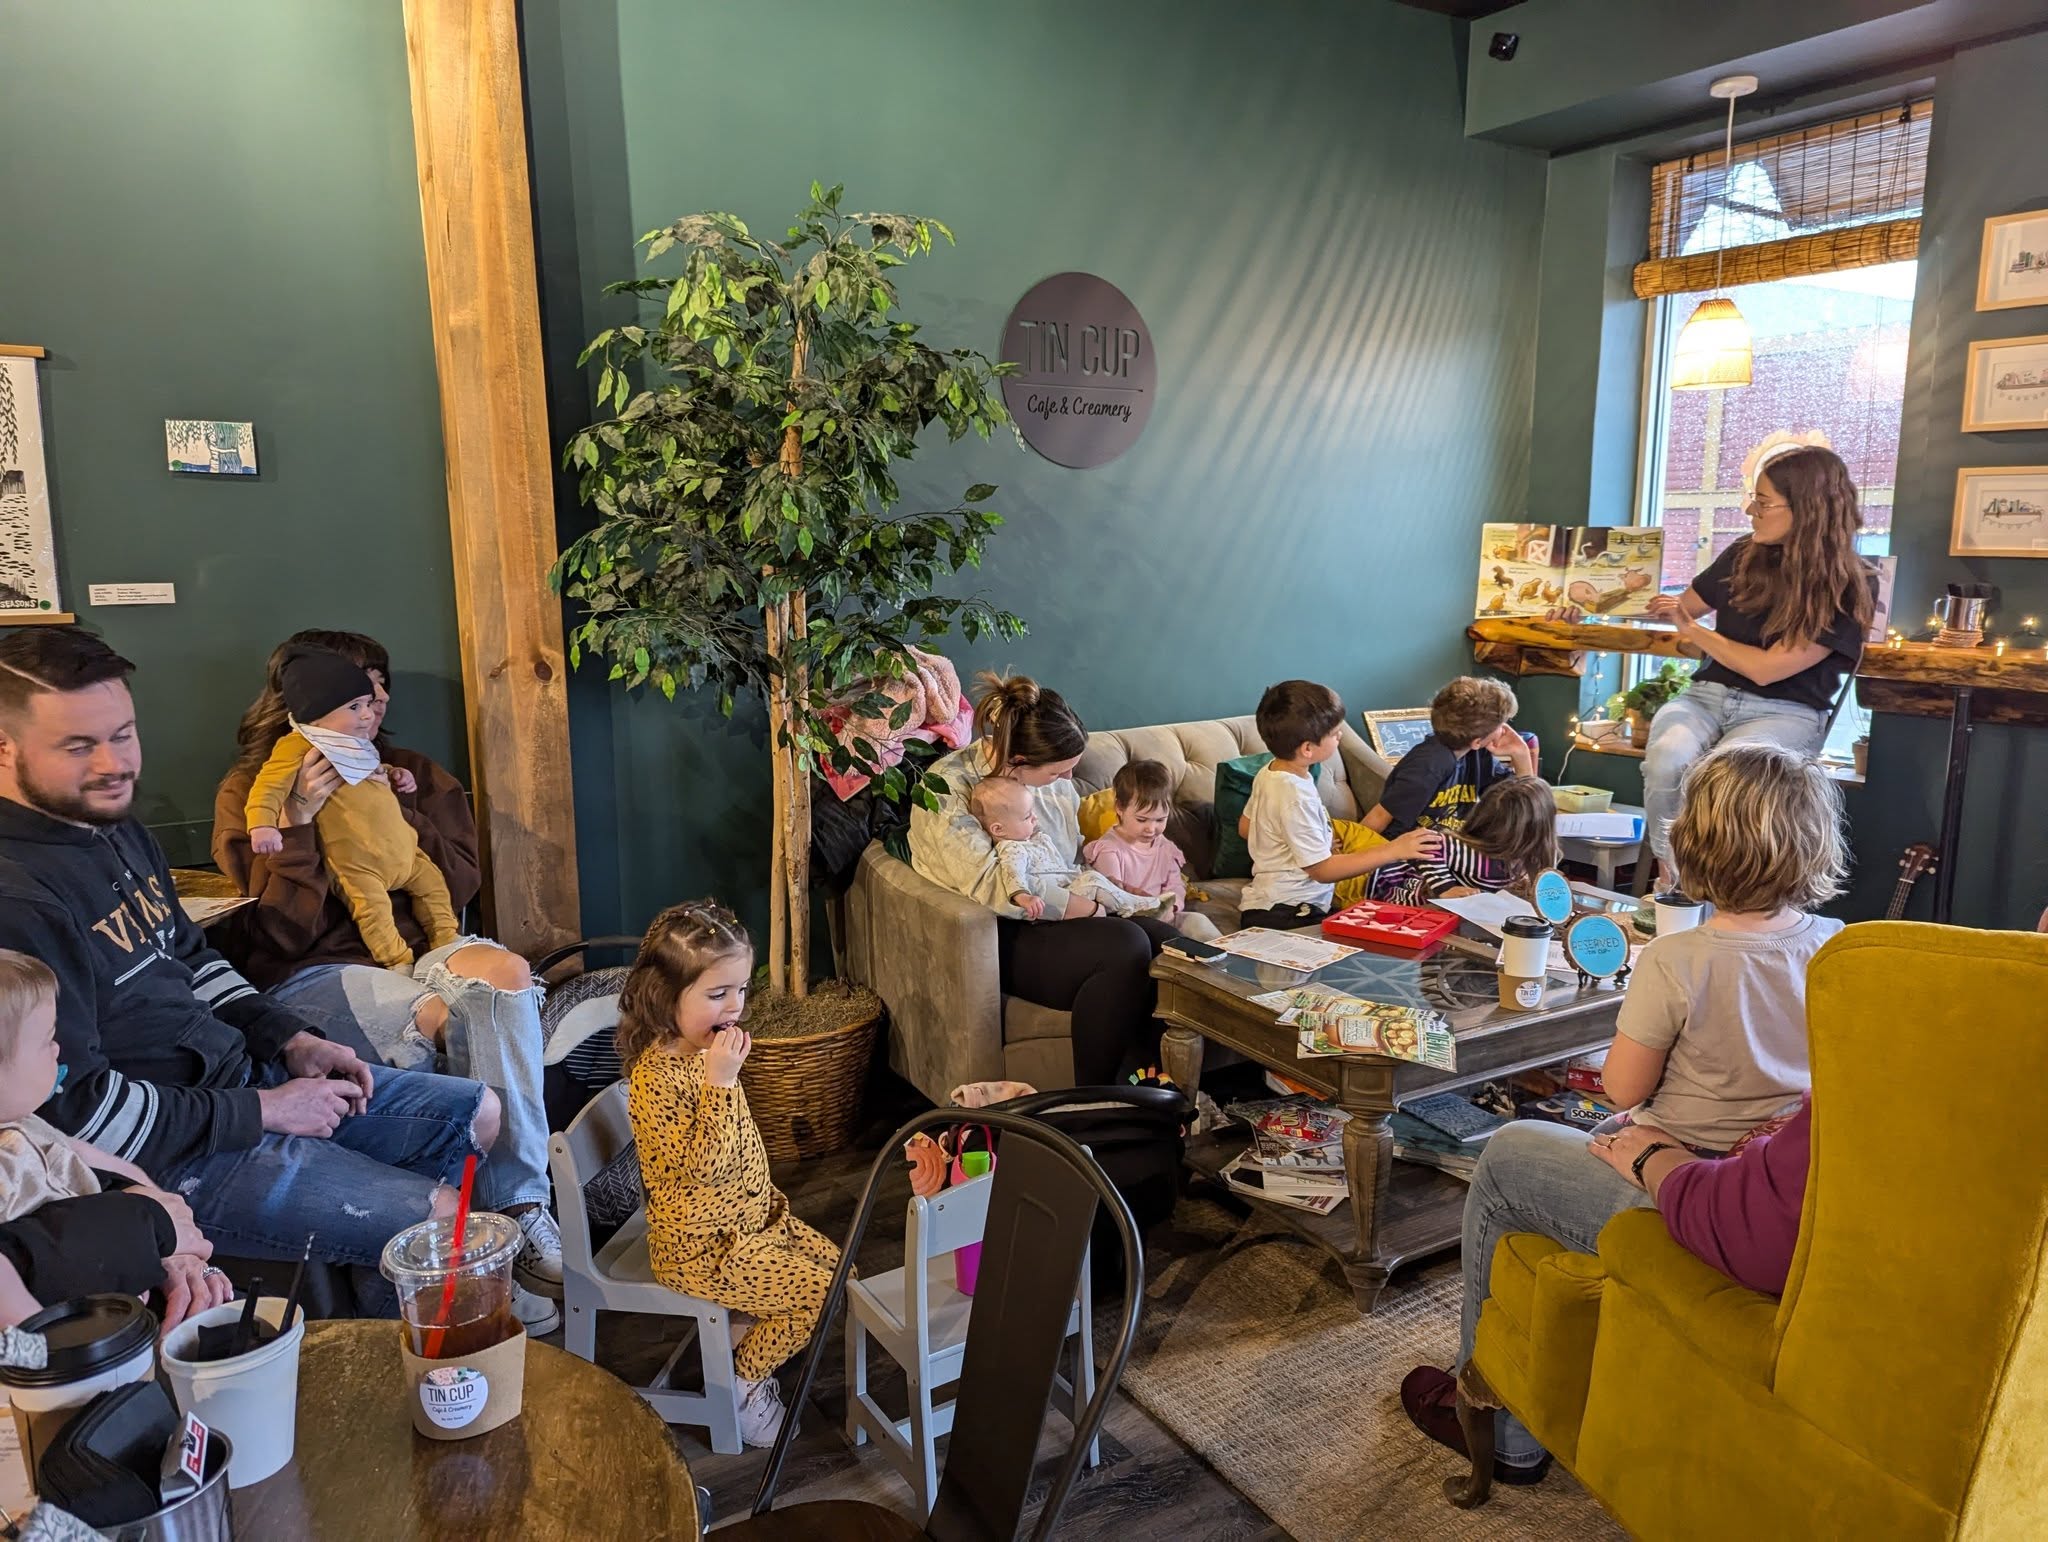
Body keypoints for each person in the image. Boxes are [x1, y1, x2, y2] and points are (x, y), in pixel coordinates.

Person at [0, 626, 501, 1317]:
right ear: (5, 749)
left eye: (123, 734)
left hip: (240, 1082)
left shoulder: (111, 823)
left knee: (479, 1115)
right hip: (176, 1154)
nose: (115, 764)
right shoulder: (17, 899)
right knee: (447, 1226)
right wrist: (265, 1110)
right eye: (79, 746)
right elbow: (76, 1114)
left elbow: (194, 958)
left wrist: (290, 1039)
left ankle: (374, 1317)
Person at [212, 629, 561, 1329]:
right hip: (319, 972)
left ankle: (519, 1209)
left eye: (379, 685)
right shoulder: (254, 786)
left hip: (422, 945)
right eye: (354, 690)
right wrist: (302, 826)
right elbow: (277, 933)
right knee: (437, 1017)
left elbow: (459, 878)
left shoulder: (409, 770)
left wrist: (391, 813)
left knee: (506, 976)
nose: (372, 702)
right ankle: (486, 1243)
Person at [1401, 1099, 1814, 1484]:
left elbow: (1746, 1228)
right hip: (1746, 1182)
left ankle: (1503, 1431)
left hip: (1724, 1231)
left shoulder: (1865, 1067)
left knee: (1511, 1151)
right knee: (1601, 1133)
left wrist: (1657, 1159)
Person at [620, 901, 841, 1448]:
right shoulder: (658, 1078)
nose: (736, 1006)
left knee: (843, 1277)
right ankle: (741, 1384)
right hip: (702, 1247)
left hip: (751, 1221)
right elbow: (703, 1170)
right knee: (819, 1296)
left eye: (741, 990)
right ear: (664, 997)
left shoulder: (705, 1050)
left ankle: (744, 1331)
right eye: (717, 994)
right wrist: (720, 1084)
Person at [910, 674, 1174, 1085]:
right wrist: (1097, 909)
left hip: (1060, 914)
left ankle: (1155, 1088)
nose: (1067, 782)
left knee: (1167, 942)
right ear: (1017, 763)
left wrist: (1115, 892)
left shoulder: (1050, 788)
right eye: (1057, 773)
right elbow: (997, 890)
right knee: (1125, 944)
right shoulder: (948, 788)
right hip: (1000, 932)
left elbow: (1063, 864)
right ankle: (1094, 1100)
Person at [1641, 443, 1874, 884]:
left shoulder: (1850, 582)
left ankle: (1719, 892)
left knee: (1731, 778)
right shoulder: (1743, 552)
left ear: (1807, 509)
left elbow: (1768, 668)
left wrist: (1693, 630)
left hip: (1786, 711)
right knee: (1668, 758)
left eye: (1763, 502)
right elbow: (1675, 606)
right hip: (1706, 697)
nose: (1750, 509)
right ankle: (1674, 878)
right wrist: (1591, 601)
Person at [1598, 742, 1844, 1156]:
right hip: (1793, 1155)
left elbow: (1623, 1090)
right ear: (1817, 839)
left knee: (1513, 1152)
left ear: (1690, 840)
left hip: (1691, 1160)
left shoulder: (1671, 958)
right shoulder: (1838, 943)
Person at [0, 950, 234, 1332]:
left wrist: (175, 1241)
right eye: (46, 1041)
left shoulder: (24, 1122)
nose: (58, 1049)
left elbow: (112, 1167)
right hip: (77, 1340)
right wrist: (46, 1358)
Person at [243, 647, 460, 969]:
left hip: (406, 855)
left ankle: (447, 939)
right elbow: (268, 786)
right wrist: (278, 822)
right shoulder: (297, 748)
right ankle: (398, 961)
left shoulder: (367, 749)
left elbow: (464, 877)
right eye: (357, 704)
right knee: (371, 908)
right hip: (326, 951)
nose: (373, 709)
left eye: (372, 697)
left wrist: (393, 779)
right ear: (316, 712)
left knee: (435, 889)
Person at [1238, 680, 1442, 930]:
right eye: (1334, 734)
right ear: (1307, 749)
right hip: (1289, 913)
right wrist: (1394, 850)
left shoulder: (1270, 773)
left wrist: (1316, 841)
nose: (1340, 736)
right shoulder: (1294, 794)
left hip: (1279, 904)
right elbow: (1322, 871)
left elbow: (1247, 827)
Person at [968, 774, 1167, 921]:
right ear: (998, 829)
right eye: (1027, 816)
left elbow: (1062, 866)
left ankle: (1131, 903)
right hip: (1063, 897)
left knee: (1094, 878)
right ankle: (1133, 906)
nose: (1035, 818)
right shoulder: (1012, 849)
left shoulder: (1034, 840)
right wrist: (1023, 896)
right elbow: (1012, 873)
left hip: (1070, 885)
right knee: (1093, 881)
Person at [1361, 676, 1533, 838]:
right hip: (1408, 853)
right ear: (1476, 741)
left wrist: (1522, 754)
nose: (1504, 729)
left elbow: (1524, 805)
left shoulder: (1478, 754)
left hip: (1453, 847)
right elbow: (1380, 815)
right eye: (1501, 724)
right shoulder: (1428, 764)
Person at [1082, 759, 1221, 941]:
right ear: (1120, 808)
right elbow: (1113, 897)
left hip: (1164, 915)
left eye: (1160, 820)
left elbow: (1175, 885)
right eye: (1142, 820)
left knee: (1197, 922)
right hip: (1130, 922)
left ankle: (1229, 961)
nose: (1151, 828)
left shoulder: (1165, 847)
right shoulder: (1109, 850)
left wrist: (1173, 906)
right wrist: (1148, 906)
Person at [1370, 775, 1559, 907]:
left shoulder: (1528, 858)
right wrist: (1445, 887)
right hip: (1406, 902)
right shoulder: (1474, 854)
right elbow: (1429, 844)